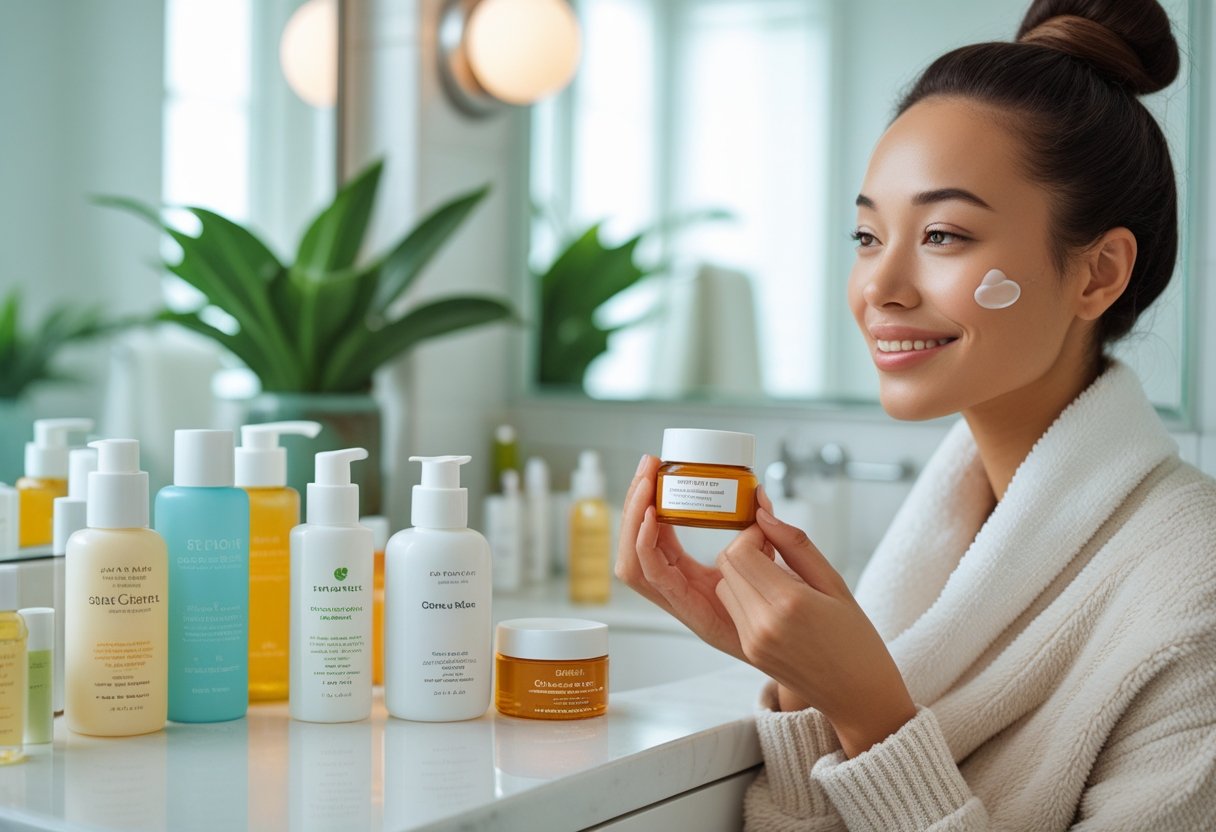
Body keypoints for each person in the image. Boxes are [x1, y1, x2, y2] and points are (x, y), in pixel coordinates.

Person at [615, 0, 1216, 828]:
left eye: (942, 235)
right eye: (867, 237)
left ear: (1099, 273)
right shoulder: (946, 548)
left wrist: (870, 712)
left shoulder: (1194, 590)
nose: (881, 288)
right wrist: (801, 687)